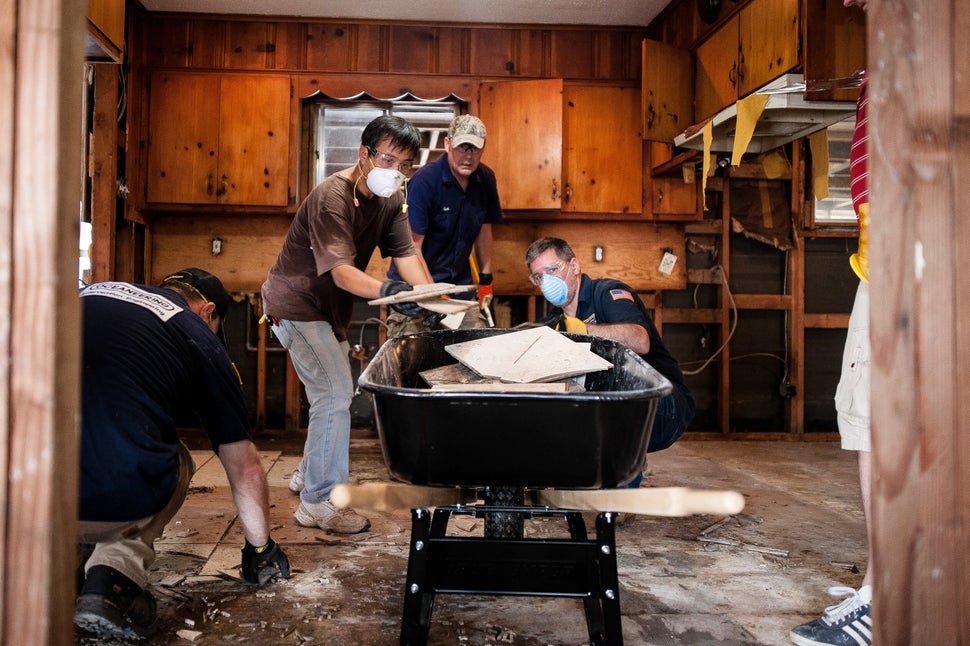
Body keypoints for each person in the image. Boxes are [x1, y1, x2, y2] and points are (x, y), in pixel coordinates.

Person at [75, 268, 290, 640]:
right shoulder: (195, 333)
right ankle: (111, 582)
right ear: (207, 311)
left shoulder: (88, 293)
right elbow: (245, 466)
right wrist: (260, 548)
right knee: (176, 460)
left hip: (20, 496)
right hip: (111, 498)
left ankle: (56, 561)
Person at [261, 115, 430, 534]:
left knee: (330, 392)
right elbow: (341, 273)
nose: (396, 172)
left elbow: (407, 257)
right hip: (294, 304)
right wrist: (392, 293)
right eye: (389, 160)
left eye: (405, 164)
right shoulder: (331, 197)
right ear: (364, 154)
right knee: (335, 392)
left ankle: (307, 475)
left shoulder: (392, 198)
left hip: (326, 311)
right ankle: (319, 501)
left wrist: (429, 297)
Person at [791, 2, 873, 644]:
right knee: (869, 420)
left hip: (914, 269)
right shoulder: (889, 61)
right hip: (881, 267)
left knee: (884, 424)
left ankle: (893, 595)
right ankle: (886, 579)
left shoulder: (929, 48)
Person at [524, 237, 695, 485]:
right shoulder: (552, 323)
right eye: (538, 276)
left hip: (662, 405)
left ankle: (621, 485)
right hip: (611, 413)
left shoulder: (607, 293)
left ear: (574, 266)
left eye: (553, 269)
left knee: (607, 380)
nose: (547, 281)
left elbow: (640, 340)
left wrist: (582, 330)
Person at [385, 114, 504, 336]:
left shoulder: (486, 179)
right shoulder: (424, 181)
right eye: (462, 148)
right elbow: (412, 248)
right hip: (415, 289)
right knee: (413, 357)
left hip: (459, 288)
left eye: (474, 149)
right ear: (447, 144)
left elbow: (484, 228)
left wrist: (486, 280)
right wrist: (433, 294)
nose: (468, 156)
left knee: (475, 347)